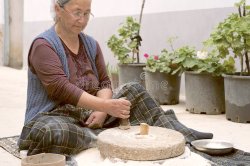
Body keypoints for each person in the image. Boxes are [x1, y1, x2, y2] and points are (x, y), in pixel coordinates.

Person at [18, 0, 213, 157]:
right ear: (57, 9)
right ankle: (103, 137)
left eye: (87, 13)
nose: (82, 19)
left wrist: (102, 109)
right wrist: (105, 106)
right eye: (77, 12)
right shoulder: (43, 45)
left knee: (134, 90)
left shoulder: (91, 44)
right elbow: (60, 88)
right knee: (53, 133)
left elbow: (104, 82)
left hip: (90, 113)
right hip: (53, 117)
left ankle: (181, 134)